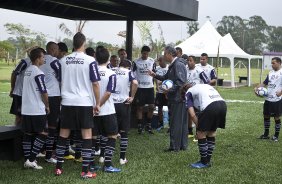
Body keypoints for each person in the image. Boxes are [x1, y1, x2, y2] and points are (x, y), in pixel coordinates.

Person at [54, 32, 101, 179]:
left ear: (72, 44)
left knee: (63, 134)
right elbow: (95, 84)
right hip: (84, 102)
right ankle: (85, 170)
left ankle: (58, 168)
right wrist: (97, 103)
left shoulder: (63, 60)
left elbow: (60, 81)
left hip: (67, 102)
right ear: (84, 43)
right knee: (86, 135)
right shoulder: (90, 60)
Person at [148, 46, 188, 152]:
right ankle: (182, 145)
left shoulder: (178, 65)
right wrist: (154, 75)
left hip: (178, 98)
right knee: (179, 122)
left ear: (170, 54)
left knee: (176, 123)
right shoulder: (173, 65)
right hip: (176, 98)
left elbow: (180, 82)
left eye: (165, 54)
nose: (164, 56)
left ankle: (175, 147)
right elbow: (166, 78)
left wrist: (168, 90)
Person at [184, 83, 227, 168]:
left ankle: (203, 162)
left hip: (210, 106)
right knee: (211, 132)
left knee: (201, 134)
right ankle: (207, 161)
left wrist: (199, 128)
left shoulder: (188, 92)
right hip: (222, 105)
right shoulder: (204, 86)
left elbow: (192, 114)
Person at [92, 47, 121, 172]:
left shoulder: (91, 72)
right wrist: (100, 104)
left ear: (96, 58)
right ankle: (107, 165)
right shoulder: (111, 74)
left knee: (92, 137)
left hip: (92, 111)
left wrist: (96, 105)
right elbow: (109, 93)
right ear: (108, 59)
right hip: (107, 110)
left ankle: (91, 164)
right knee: (112, 136)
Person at [21, 48, 49, 170]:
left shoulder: (28, 70)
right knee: (43, 133)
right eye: (43, 57)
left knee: (28, 134)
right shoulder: (38, 73)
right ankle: (32, 159)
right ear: (38, 59)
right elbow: (43, 91)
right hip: (36, 109)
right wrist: (47, 105)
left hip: (26, 109)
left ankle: (28, 159)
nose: (44, 59)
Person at [112, 59, 138, 165]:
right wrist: (132, 97)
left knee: (108, 131)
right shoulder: (128, 72)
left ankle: (102, 156)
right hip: (123, 103)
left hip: (110, 104)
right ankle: (122, 158)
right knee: (124, 131)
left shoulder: (111, 70)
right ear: (128, 67)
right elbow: (135, 83)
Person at [39, 41, 60, 164]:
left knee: (41, 125)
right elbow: (61, 77)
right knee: (52, 126)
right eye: (56, 50)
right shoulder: (54, 61)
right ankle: (48, 155)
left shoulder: (39, 60)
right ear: (53, 49)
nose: (57, 52)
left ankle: (39, 151)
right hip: (53, 96)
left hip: (40, 96)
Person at [255, 57, 282, 142]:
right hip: (268, 99)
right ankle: (266, 134)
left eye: (273, 63)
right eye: (271, 63)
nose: (272, 64)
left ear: (279, 63)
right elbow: (264, 83)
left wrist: (281, 92)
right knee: (266, 116)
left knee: (276, 117)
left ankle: (276, 136)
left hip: (276, 99)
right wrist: (257, 88)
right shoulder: (270, 73)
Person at [132, 45, 156, 134]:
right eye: (144, 53)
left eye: (147, 53)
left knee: (152, 107)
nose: (145, 55)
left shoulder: (152, 61)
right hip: (140, 88)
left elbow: (155, 73)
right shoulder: (136, 62)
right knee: (140, 107)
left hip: (149, 87)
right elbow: (133, 74)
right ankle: (139, 125)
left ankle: (148, 125)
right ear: (141, 52)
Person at [186, 55, 209, 138]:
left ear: (194, 62)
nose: (189, 62)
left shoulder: (199, 70)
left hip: (197, 95)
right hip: (188, 95)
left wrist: (198, 88)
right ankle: (190, 131)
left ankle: (198, 132)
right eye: (188, 60)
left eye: (190, 60)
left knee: (197, 114)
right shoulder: (185, 69)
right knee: (189, 113)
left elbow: (207, 81)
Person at [154, 55, 168, 130]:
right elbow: (155, 78)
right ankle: (161, 123)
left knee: (170, 108)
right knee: (159, 107)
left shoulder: (169, 68)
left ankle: (169, 124)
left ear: (164, 60)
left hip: (168, 92)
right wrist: (157, 84)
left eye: (160, 60)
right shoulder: (157, 69)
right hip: (160, 92)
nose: (159, 62)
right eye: (158, 61)